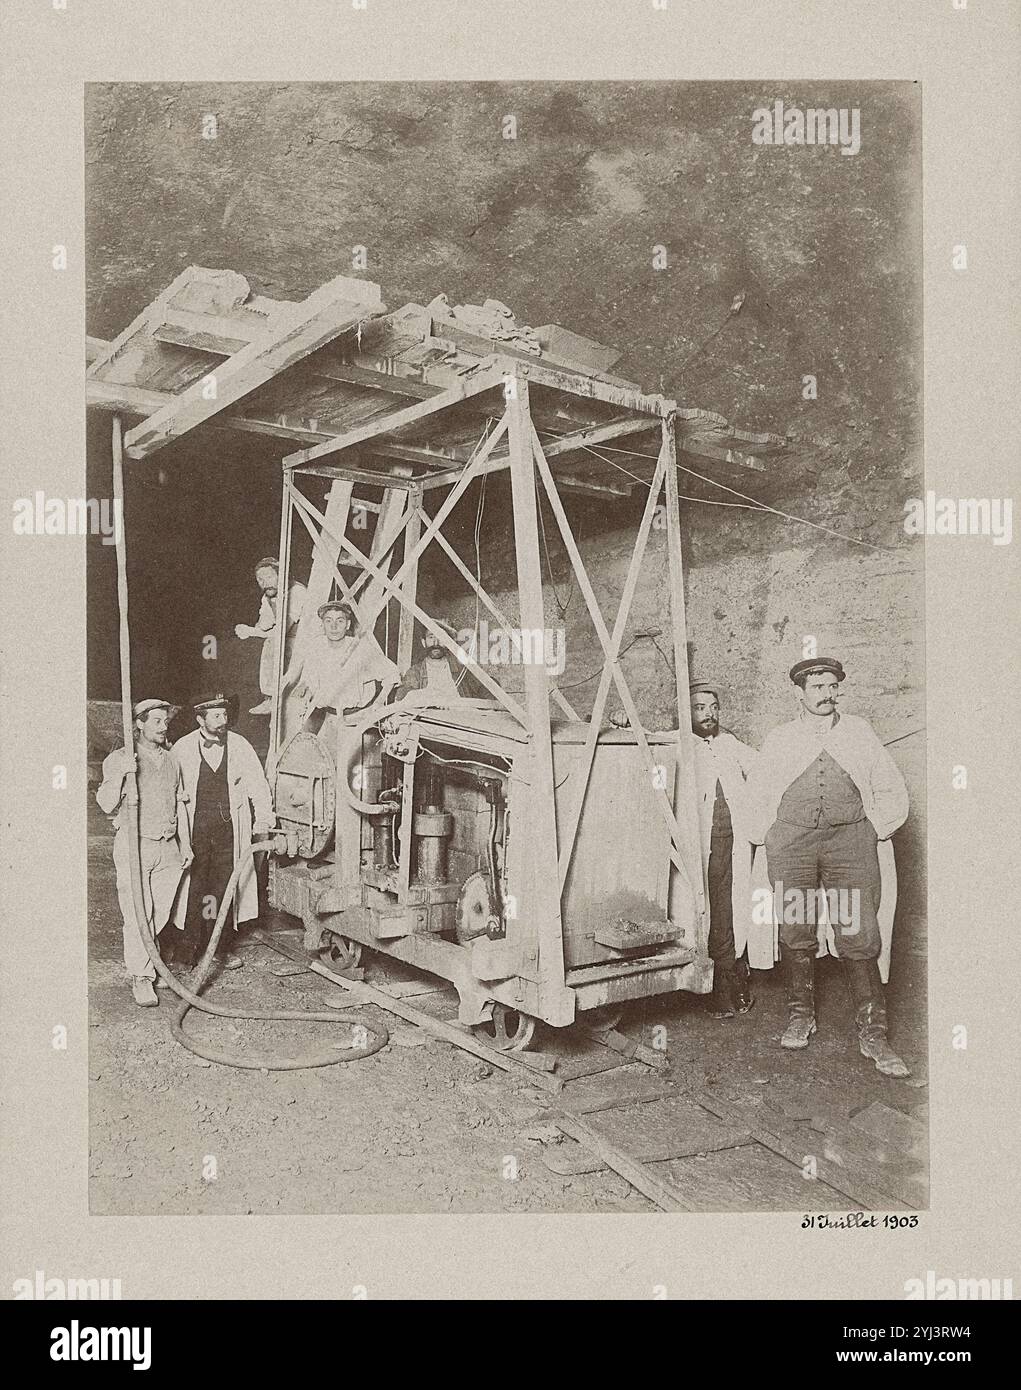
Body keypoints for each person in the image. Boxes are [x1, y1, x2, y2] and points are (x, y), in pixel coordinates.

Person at [746, 657, 911, 1075]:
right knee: (797, 929)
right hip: (793, 845)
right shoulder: (781, 738)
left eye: (832, 685)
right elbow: (758, 793)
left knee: (858, 932)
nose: (826, 694)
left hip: (849, 843)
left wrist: (874, 829)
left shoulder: (858, 732)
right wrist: (771, 834)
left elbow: (890, 786)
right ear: (798, 693)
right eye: (817, 687)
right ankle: (801, 1016)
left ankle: (874, 1034)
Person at [95, 699, 192, 1008]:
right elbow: (105, 803)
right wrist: (123, 775)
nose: (164, 727)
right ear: (139, 724)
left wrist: (185, 843)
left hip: (167, 847)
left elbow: (181, 804)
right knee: (138, 913)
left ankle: (151, 962)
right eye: (158, 722)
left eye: (166, 721)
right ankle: (142, 977)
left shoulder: (172, 759)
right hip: (134, 845)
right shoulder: (120, 758)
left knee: (159, 913)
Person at [169, 693, 273, 973]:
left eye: (225, 715)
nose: (223, 721)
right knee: (194, 889)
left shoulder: (240, 746)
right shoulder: (181, 748)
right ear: (200, 719)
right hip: (195, 833)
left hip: (229, 832)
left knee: (222, 889)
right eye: (216, 716)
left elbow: (258, 785)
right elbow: (171, 793)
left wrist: (263, 819)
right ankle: (185, 952)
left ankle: (217, 951)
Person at [689, 679, 759, 1018]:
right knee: (706, 910)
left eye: (713, 707)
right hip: (699, 846)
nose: (709, 714)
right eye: (700, 708)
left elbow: (765, 765)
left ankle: (732, 974)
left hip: (733, 842)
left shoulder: (730, 744)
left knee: (731, 907)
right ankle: (713, 982)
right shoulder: (677, 743)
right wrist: (621, 720)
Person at [283, 600, 400, 733]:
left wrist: (379, 702)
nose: (334, 627)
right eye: (328, 621)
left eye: (340, 621)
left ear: (348, 624)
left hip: (357, 719)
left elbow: (392, 674)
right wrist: (304, 693)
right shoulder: (317, 647)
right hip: (329, 717)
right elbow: (312, 680)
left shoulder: (360, 649)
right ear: (322, 625)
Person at [234, 557, 307, 715]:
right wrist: (248, 629)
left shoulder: (297, 591)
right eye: (260, 579)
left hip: (306, 642)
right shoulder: (268, 596)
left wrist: (252, 632)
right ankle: (269, 697)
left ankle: (273, 697)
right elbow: (263, 624)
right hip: (289, 641)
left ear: (282, 576)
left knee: (272, 643)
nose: (264, 582)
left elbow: (282, 629)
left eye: (269, 576)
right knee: (267, 642)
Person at [394, 618, 469, 705]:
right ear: (423, 642)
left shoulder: (462, 670)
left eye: (441, 637)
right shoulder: (415, 672)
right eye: (431, 637)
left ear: (449, 642)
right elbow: (401, 701)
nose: (436, 643)